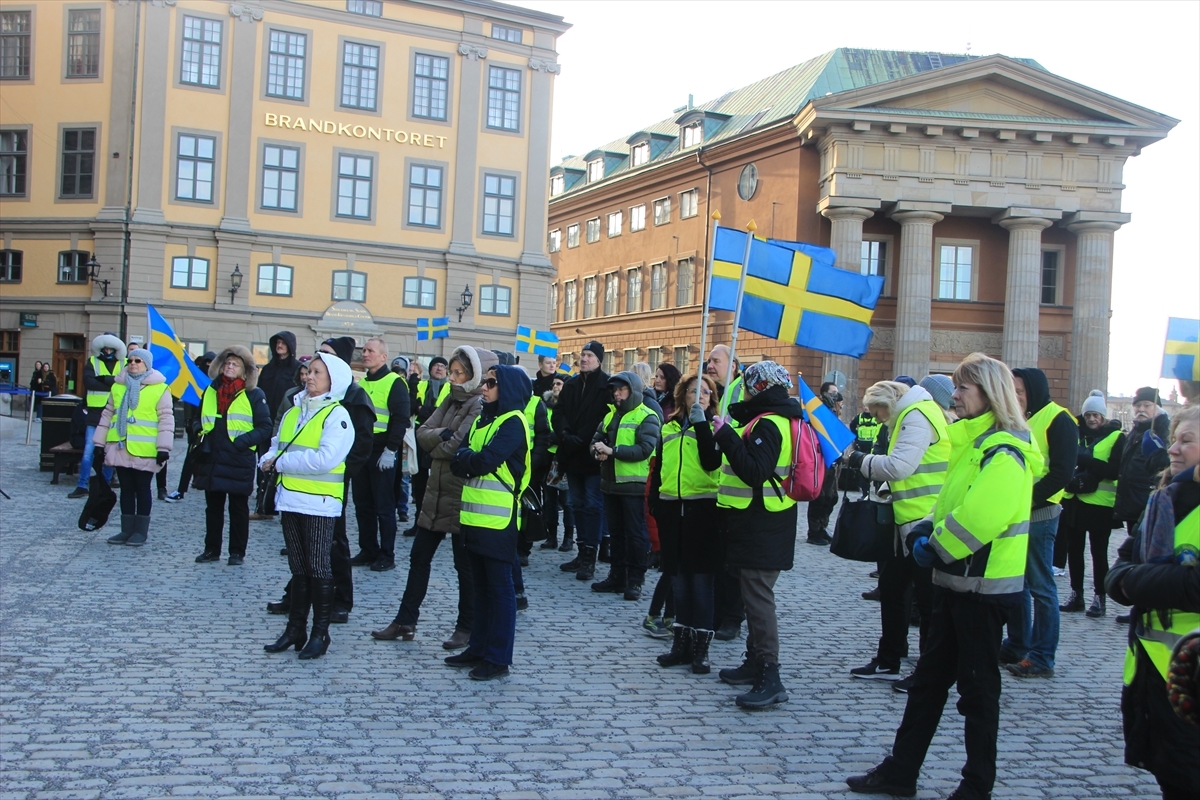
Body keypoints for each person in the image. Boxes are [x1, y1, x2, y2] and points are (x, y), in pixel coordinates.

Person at [847, 352, 1039, 800]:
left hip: (983, 589)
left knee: (977, 693)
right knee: (929, 685)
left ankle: (976, 786)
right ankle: (900, 772)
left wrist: (932, 547)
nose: (954, 396)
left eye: (962, 389)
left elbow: (981, 518)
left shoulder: (1005, 452)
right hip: (959, 583)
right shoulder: (972, 444)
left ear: (988, 394)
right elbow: (952, 504)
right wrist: (932, 527)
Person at [371, 346, 497, 649]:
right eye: (451, 372)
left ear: (474, 375)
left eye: (459, 373)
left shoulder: (477, 405)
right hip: (435, 491)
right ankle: (405, 620)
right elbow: (421, 432)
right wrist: (436, 437)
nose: (452, 378)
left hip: (459, 492)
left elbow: (452, 446)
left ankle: (466, 625)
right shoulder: (450, 400)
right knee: (418, 558)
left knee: (463, 565)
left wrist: (437, 438)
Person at [1106, 404, 1199, 800]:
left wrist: (1134, 582)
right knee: (1171, 780)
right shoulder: (1164, 499)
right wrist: (1133, 580)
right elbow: (1116, 574)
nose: (1173, 449)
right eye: (1175, 439)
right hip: (1154, 675)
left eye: (1187, 441)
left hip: (1193, 681)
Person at [711, 361, 804, 708]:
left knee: (758, 597)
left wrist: (726, 435)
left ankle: (770, 674)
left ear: (759, 388)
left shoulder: (769, 423)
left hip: (764, 524)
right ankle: (754, 663)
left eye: (748, 387)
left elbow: (755, 472)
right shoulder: (780, 418)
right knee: (753, 596)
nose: (744, 392)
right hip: (764, 521)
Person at [844, 380, 949, 689]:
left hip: (923, 520)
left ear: (888, 404)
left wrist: (858, 461)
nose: (876, 419)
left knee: (925, 599)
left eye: (876, 412)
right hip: (907, 519)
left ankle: (927, 670)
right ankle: (889, 658)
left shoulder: (917, 415)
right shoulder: (909, 415)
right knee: (892, 590)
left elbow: (899, 467)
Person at [265, 339, 374, 624]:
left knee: (331, 549)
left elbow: (360, 445)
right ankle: (296, 606)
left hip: (326, 487)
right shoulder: (298, 403)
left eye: (323, 361)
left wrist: (339, 475)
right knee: (302, 558)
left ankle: (340, 601)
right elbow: (283, 441)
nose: (310, 373)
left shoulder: (352, 400)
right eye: (311, 366)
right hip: (295, 489)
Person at [261, 353, 354, 661]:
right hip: (290, 498)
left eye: (317, 372)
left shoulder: (336, 415)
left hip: (320, 502)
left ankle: (320, 633)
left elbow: (326, 458)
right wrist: (267, 459)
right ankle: (295, 629)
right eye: (308, 371)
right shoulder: (293, 411)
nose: (309, 376)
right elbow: (277, 444)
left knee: (318, 567)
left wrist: (281, 462)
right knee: (298, 568)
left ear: (333, 380)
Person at [444, 364, 533, 681]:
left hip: (498, 521)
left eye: (492, 382)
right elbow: (458, 457)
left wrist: (468, 460)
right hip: (472, 517)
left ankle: (498, 658)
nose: (484, 387)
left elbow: (483, 461)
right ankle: (478, 648)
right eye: (485, 381)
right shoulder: (485, 420)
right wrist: (468, 460)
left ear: (506, 388)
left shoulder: (513, 421)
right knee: (479, 588)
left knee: (500, 590)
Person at [999, 367, 1075, 679]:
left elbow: (1061, 473)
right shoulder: (1021, 418)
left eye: (1019, 390)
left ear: (1034, 390)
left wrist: (1025, 498)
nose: (1014, 396)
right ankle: (1019, 643)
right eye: (1011, 390)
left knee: (1042, 587)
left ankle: (1043, 656)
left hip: (1041, 515)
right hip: (1017, 514)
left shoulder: (1060, 420)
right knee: (1018, 584)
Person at [650, 373, 723, 673]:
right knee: (678, 579)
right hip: (671, 509)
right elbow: (659, 467)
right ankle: (679, 644)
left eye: (706, 392)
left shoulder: (716, 427)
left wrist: (702, 425)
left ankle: (701, 648)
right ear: (682, 395)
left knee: (701, 582)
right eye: (695, 390)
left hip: (703, 510)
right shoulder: (667, 427)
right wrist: (655, 501)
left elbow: (711, 462)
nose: (701, 395)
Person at [191, 347, 273, 565]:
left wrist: (242, 442)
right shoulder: (210, 390)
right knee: (213, 508)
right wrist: (199, 431)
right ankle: (211, 550)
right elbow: (198, 417)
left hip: (239, 458)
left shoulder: (254, 394)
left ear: (245, 371)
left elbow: (265, 427)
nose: (229, 367)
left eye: (235, 364)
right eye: (227, 363)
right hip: (212, 456)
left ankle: (237, 552)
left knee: (238, 508)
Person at [589, 370, 661, 601]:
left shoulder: (647, 416)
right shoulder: (611, 416)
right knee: (617, 534)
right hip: (610, 484)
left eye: (622, 390)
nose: (617, 394)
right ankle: (617, 576)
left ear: (633, 391)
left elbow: (644, 450)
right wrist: (596, 452)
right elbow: (595, 440)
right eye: (615, 390)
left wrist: (612, 452)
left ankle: (636, 580)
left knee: (636, 535)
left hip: (634, 486)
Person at [94, 348, 175, 547]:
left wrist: (163, 448)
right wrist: (99, 443)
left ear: (147, 364)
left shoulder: (160, 388)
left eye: (138, 360)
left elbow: (166, 419)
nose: (133, 363)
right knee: (127, 489)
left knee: (142, 489)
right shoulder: (118, 387)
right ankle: (126, 530)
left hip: (145, 449)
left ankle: (140, 531)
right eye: (130, 360)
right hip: (120, 446)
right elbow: (107, 415)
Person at [1058, 390, 1125, 617]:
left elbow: (1114, 471)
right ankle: (1076, 595)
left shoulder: (1117, 437)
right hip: (1073, 501)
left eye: (1096, 415)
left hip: (1099, 504)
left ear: (1103, 416)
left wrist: (1086, 463)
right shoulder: (1074, 433)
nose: (1092, 419)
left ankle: (1100, 597)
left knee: (1099, 553)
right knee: (1073, 551)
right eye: (1088, 415)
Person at [349, 338, 410, 572]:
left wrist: (391, 450)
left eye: (370, 351)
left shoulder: (394, 382)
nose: (365, 354)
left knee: (384, 506)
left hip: (382, 451)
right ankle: (368, 549)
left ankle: (387, 554)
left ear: (383, 357)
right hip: (361, 451)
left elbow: (400, 419)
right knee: (362, 504)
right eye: (363, 350)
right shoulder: (361, 383)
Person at [554, 341, 610, 581]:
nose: (584, 359)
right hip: (571, 453)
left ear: (599, 360)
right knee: (576, 504)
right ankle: (581, 550)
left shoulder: (606, 385)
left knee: (592, 505)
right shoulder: (572, 384)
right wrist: (565, 434)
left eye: (588, 355)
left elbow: (604, 417)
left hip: (592, 455)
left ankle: (590, 555)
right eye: (582, 355)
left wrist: (583, 437)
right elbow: (559, 412)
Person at [70, 334, 125, 498]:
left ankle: (105, 485)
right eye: (105, 348)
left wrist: (102, 379)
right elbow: (89, 382)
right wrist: (112, 382)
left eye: (110, 348)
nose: (107, 351)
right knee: (89, 451)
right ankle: (82, 485)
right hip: (94, 414)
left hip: (114, 413)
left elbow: (125, 382)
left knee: (109, 452)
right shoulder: (92, 362)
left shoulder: (124, 362)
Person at [251, 331, 299, 520]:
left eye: (283, 343)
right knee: (263, 461)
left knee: (282, 463)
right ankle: (263, 503)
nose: (279, 346)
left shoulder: (296, 368)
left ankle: (280, 500)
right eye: (277, 343)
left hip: (285, 422)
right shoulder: (268, 369)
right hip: (265, 421)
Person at [405, 356, 450, 535]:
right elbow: (412, 406)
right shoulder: (423, 386)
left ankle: (439, 523)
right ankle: (419, 522)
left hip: (441, 438)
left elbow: (443, 412)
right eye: (436, 366)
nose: (439, 369)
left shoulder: (450, 388)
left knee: (440, 484)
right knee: (419, 483)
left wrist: (423, 410)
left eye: (442, 366)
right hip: (420, 437)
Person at [165, 351, 216, 503]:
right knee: (191, 458)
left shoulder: (215, 382)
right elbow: (188, 400)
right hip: (198, 425)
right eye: (206, 363)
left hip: (213, 426)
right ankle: (181, 489)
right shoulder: (196, 380)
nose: (208, 366)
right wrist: (190, 422)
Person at [805, 381, 844, 546]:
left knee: (831, 497)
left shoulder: (834, 410)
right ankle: (814, 531)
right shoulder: (818, 410)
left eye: (836, 392)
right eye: (832, 392)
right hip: (820, 459)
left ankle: (823, 526)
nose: (835, 395)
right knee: (819, 497)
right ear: (824, 393)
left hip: (833, 458)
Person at [542, 374, 575, 552]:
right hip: (547, 457)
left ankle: (569, 538)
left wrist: (556, 437)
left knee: (567, 501)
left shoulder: (570, 407)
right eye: (554, 383)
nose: (556, 386)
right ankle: (551, 536)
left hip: (564, 457)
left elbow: (568, 432)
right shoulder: (544, 405)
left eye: (560, 383)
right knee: (549, 500)